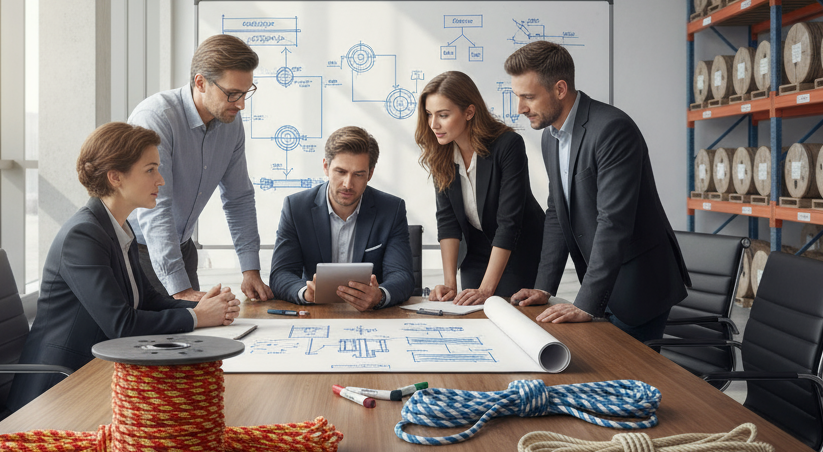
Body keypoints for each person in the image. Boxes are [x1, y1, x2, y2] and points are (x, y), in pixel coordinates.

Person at [6, 123, 240, 411]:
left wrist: (202, 306)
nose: (161, 180)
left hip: (94, 373)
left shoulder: (116, 225)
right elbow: (121, 324)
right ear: (116, 177)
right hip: (60, 387)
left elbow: (148, 300)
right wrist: (199, 318)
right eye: (150, 170)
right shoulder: (83, 236)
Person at [503, 41, 689, 344]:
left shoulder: (612, 129)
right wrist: (544, 288)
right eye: (517, 96)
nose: (520, 108)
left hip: (638, 287)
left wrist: (585, 303)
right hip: (602, 286)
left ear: (560, 89)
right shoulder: (551, 137)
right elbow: (557, 213)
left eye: (528, 97)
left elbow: (613, 222)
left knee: (626, 383)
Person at [127, 35, 274, 303]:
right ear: (200, 82)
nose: (241, 104)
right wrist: (180, 289)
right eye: (232, 94)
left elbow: (238, 198)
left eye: (246, 92)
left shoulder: (231, 124)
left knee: (193, 338)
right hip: (136, 252)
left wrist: (250, 269)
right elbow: (156, 207)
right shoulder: (155, 118)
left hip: (182, 249)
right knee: (151, 341)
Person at [416, 70, 544, 305]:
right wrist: (449, 284)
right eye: (429, 114)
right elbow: (447, 222)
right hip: (475, 249)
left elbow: (509, 223)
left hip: (518, 249)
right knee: (469, 310)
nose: (433, 124)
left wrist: (486, 290)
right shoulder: (441, 153)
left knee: (508, 311)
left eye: (443, 115)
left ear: (469, 112)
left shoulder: (508, 145)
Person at [269, 126, 414, 310]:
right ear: (326, 167)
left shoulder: (391, 210)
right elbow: (281, 273)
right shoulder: (296, 208)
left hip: (370, 317)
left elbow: (402, 276)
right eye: (340, 172)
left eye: (358, 174)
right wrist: (305, 292)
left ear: (370, 174)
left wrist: (380, 295)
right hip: (316, 313)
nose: (348, 184)